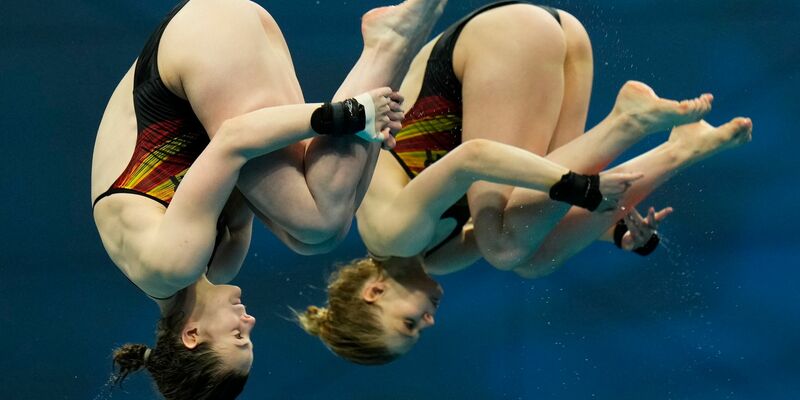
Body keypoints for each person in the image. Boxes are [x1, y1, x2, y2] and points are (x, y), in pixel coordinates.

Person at [297, 1, 752, 365]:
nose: (429, 323)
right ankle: (680, 149)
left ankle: (628, 123)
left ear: (374, 292)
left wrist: (578, 188)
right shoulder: (437, 257)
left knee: (504, 246)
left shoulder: (390, 234)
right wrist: (611, 229)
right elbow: (536, 219)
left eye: (409, 325)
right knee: (532, 257)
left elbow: (474, 157)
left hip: (498, 41)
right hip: (556, 40)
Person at [91, 0, 447, 397]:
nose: (251, 323)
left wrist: (343, 115)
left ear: (192, 335)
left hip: (202, 42)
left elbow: (234, 140)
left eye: (239, 338)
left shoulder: (171, 264)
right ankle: (398, 46)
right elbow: (250, 160)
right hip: (214, 47)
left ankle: (390, 43)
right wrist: (363, 124)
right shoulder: (217, 264)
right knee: (315, 236)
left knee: (318, 223)